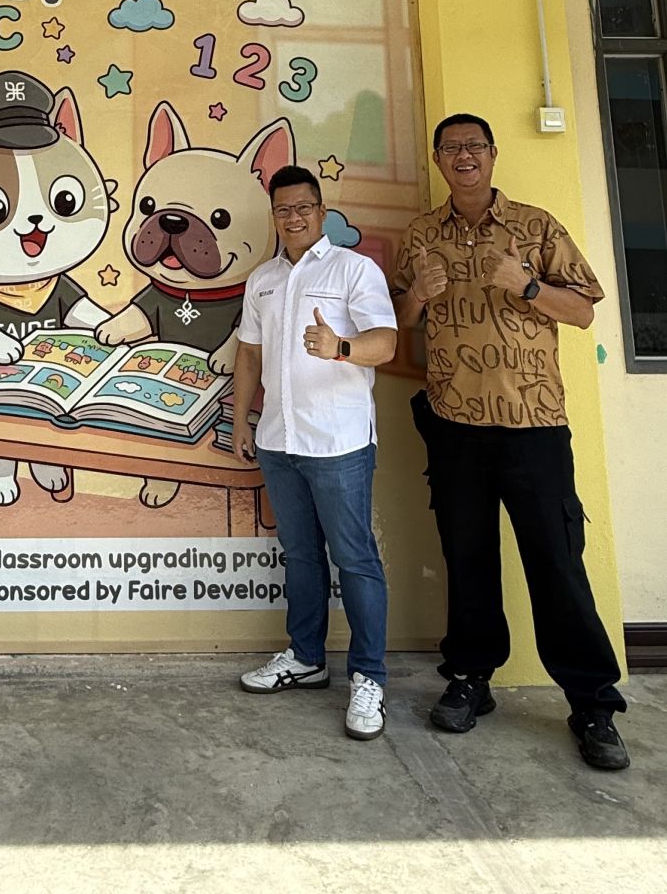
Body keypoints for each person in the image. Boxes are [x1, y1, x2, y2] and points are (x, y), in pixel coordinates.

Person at [392, 112, 629, 771]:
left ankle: (592, 703)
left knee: (556, 562)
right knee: (466, 558)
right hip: (454, 423)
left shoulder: (536, 226)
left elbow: (583, 311)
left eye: (474, 146)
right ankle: (470, 678)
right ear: (438, 160)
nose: (463, 156)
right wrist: (419, 299)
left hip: (534, 424)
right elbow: (396, 323)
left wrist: (525, 285)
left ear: (492, 155)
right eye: (451, 147)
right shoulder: (419, 236)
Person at [232, 166, 398, 740]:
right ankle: (305, 658)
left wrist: (340, 346)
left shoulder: (355, 270)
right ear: (273, 214)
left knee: (354, 560)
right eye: (284, 209)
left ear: (321, 209)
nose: (294, 217)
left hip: (339, 443)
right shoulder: (263, 280)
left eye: (304, 207)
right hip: (279, 440)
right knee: (301, 557)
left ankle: (369, 677)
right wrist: (241, 421)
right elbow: (248, 356)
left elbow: (386, 342)